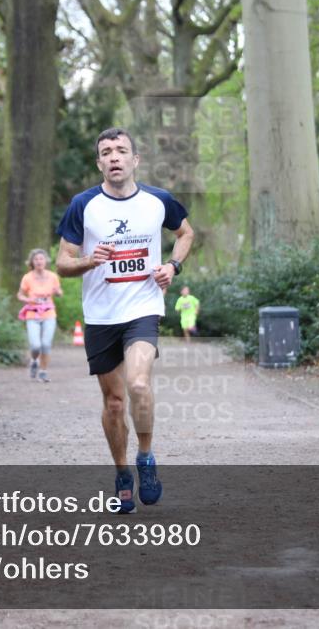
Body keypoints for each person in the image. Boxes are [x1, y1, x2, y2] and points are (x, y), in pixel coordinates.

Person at [56, 127, 194, 513]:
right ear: (99, 163)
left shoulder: (157, 200)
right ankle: (121, 475)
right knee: (114, 403)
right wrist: (89, 260)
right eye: (106, 152)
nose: (114, 156)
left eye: (121, 150)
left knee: (137, 383)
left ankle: (145, 458)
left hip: (143, 308)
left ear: (135, 160)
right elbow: (62, 263)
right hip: (101, 315)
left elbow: (186, 233)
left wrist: (173, 265)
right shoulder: (83, 205)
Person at [17, 248, 63, 382]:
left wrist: (58, 292)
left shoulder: (53, 276)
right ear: (32, 262)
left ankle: (43, 371)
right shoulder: (27, 278)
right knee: (36, 345)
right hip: (33, 314)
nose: (39, 261)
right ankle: (34, 360)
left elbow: (59, 291)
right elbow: (19, 295)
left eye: (41, 259)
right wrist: (29, 300)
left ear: (46, 261)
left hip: (49, 313)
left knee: (46, 344)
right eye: (36, 259)